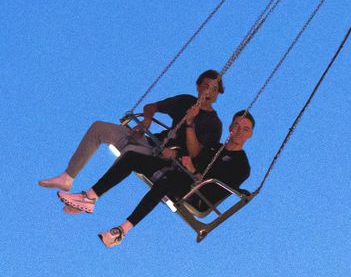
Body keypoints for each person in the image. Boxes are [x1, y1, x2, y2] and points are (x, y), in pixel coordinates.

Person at [38, 70, 224, 214]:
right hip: (152, 141)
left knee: (130, 154)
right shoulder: (185, 101)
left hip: (162, 157)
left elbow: (196, 153)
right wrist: (147, 121)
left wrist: (190, 122)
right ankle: (67, 177)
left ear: (217, 94)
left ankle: (89, 198)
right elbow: (151, 107)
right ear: (198, 86)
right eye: (206, 86)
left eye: (214, 89)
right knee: (99, 128)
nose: (208, 91)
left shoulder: (213, 123)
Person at [99, 109, 255, 248]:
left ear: (250, 134)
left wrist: (195, 172)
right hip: (179, 172)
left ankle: (122, 230)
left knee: (168, 179)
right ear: (230, 128)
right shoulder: (212, 147)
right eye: (237, 126)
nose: (240, 131)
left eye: (245, 129)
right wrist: (176, 153)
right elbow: (192, 155)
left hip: (197, 195)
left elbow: (217, 190)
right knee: (132, 157)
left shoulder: (241, 165)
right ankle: (92, 195)